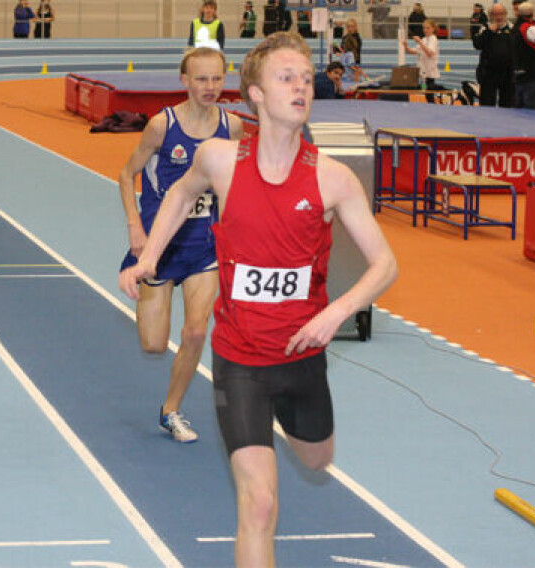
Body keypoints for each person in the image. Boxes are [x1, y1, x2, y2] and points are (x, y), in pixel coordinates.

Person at [119, 31, 397, 566]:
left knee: (316, 461)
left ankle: (304, 426)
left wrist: (335, 313)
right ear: (255, 94)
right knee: (260, 504)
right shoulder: (221, 159)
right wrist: (149, 255)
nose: (300, 87)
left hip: (303, 358)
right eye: (285, 78)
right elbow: (179, 193)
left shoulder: (332, 178)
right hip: (240, 361)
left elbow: (385, 263)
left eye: (305, 78)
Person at [117, 47, 244, 443]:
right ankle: (168, 400)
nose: (210, 87)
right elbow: (126, 175)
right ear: (184, 81)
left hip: (204, 247)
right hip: (159, 246)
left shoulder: (233, 127)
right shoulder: (161, 125)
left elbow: (234, 185)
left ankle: (171, 410)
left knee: (194, 333)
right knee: (154, 344)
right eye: (201, 79)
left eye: (217, 79)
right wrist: (136, 230)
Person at [473, 2, 514, 107]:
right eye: (495, 14)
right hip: (488, 72)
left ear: (505, 14)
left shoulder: (512, 28)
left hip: (507, 72)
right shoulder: (485, 28)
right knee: (487, 102)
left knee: (507, 102)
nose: (498, 17)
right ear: (490, 15)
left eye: (501, 13)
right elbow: (477, 44)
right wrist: (490, 31)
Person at [403, 18, 440, 93]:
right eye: (424, 28)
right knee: (424, 90)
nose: (425, 30)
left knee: (429, 93)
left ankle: (431, 103)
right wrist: (406, 47)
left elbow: (429, 53)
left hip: (430, 71)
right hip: (424, 71)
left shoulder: (433, 39)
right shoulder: (424, 39)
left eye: (427, 28)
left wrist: (420, 42)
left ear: (433, 29)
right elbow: (414, 51)